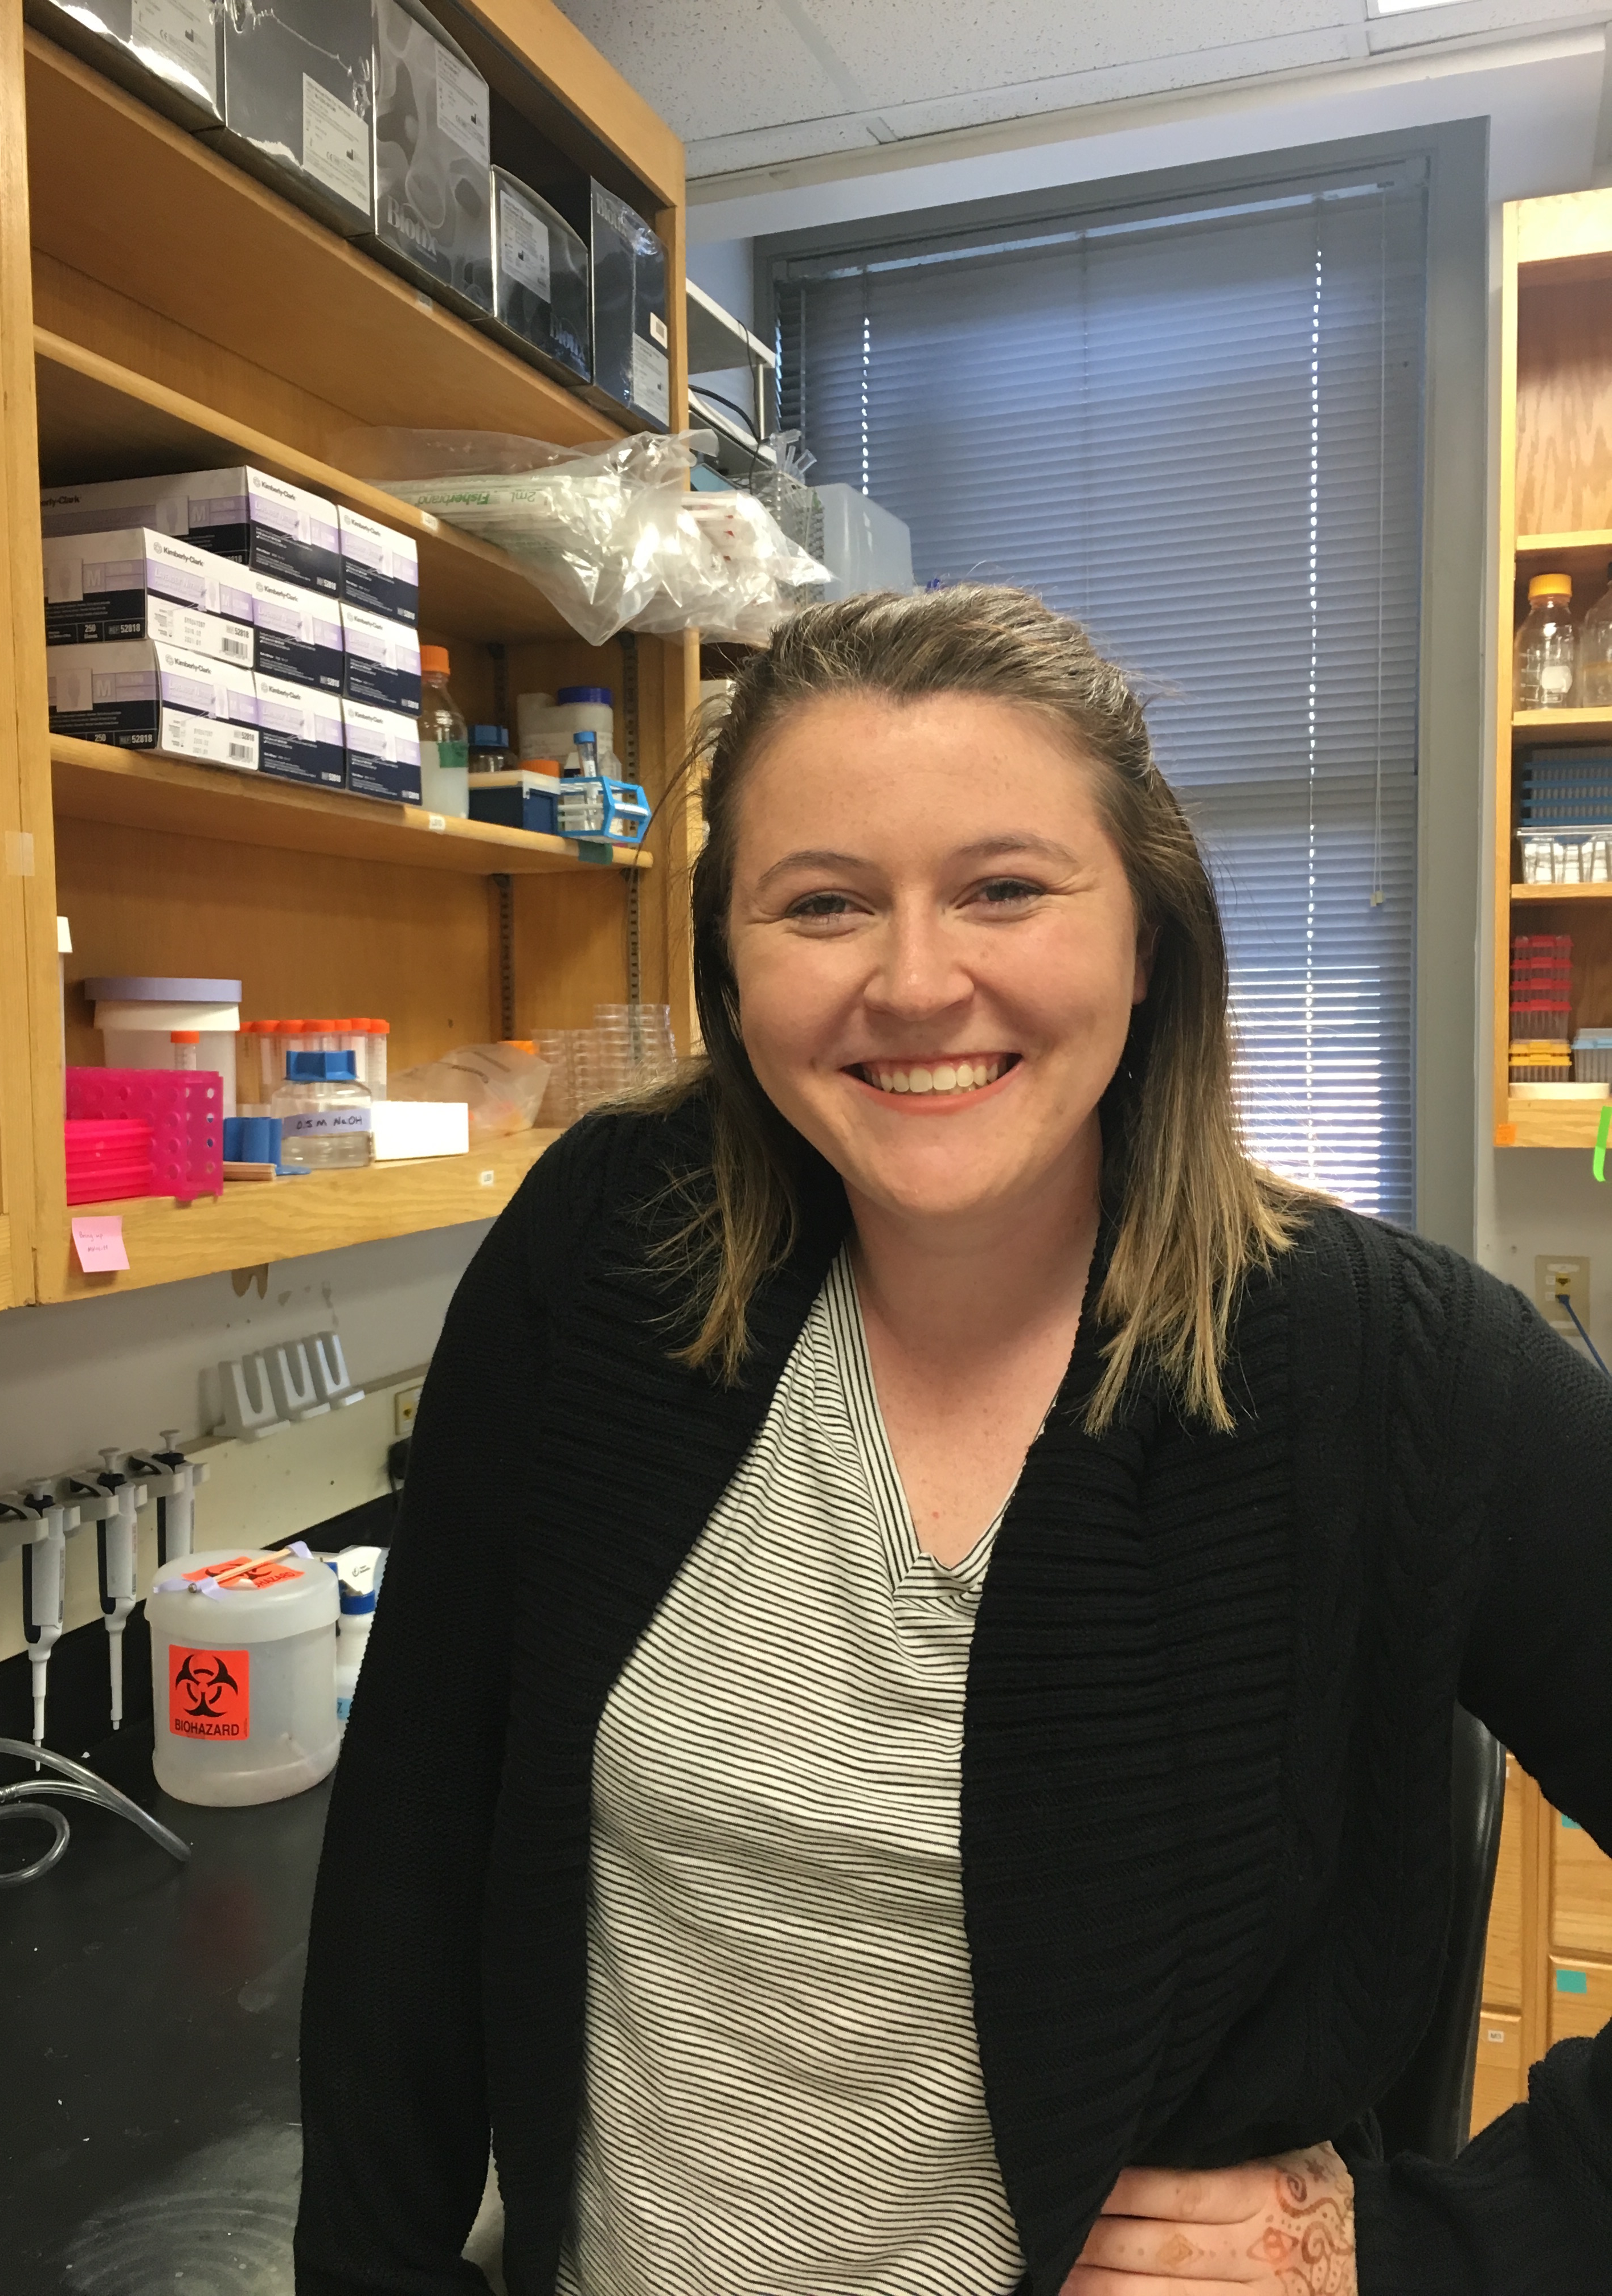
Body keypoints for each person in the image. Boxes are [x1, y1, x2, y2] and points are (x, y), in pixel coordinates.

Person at [294, 587, 1612, 2296]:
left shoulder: (1391, 1369)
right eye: (823, 904)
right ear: (730, 971)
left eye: (1005, 888)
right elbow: (405, 1878)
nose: (916, 984)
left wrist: (1439, 2251)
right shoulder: (607, 1259)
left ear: (1147, 937)